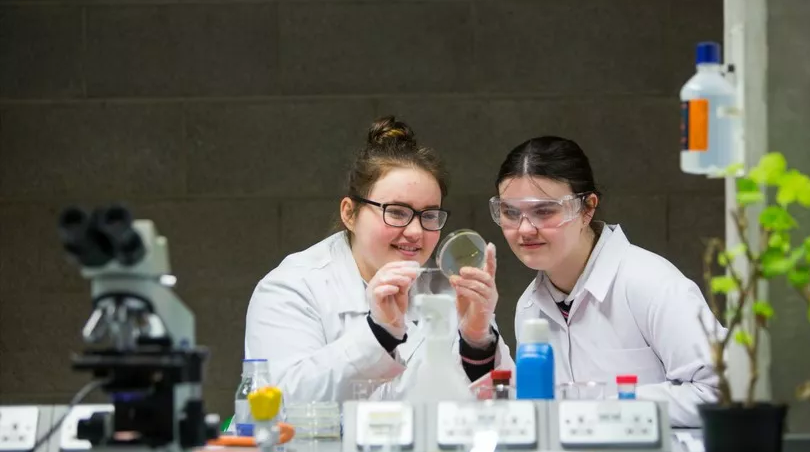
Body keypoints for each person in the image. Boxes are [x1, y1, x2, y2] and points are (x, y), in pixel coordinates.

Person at [245, 116, 512, 403]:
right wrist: (379, 333)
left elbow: (508, 414)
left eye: (429, 215)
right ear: (349, 213)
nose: (415, 232)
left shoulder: (447, 289)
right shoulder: (292, 288)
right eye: (397, 212)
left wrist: (476, 342)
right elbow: (273, 407)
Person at [490, 136, 720, 427]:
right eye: (511, 212)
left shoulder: (651, 283)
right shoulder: (529, 306)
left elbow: (719, 391)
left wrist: (611, 405)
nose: (524, 229)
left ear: (587, 208)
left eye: (544, 211)